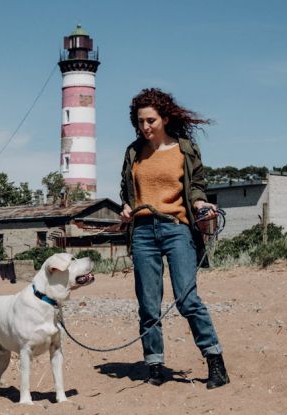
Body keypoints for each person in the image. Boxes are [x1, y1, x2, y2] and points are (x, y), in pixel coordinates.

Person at [119, 88, 230, 389]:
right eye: (140, 121)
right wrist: (126, 207)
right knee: (148, 304)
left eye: (151, 120)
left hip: (176, 228)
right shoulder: (133, 152)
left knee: (187, 298)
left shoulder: (185, 149)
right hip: (142, 232)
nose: (145, 127)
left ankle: (215, 360)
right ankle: (154, 364)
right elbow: (126, 192)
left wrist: (199, 203)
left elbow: (197, 186)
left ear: (165, 118)